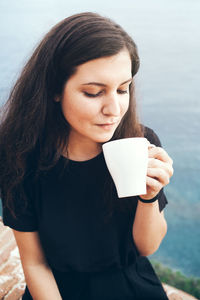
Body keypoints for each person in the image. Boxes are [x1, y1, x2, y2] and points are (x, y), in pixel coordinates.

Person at [0, 12, 174, 300]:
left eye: (122, 89)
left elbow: (145, 249)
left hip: (130, 287)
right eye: (94, 93)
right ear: (55, 89)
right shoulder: (19, 156)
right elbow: (35, 263)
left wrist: (149, 196)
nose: (114, 109)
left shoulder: (140, 143)